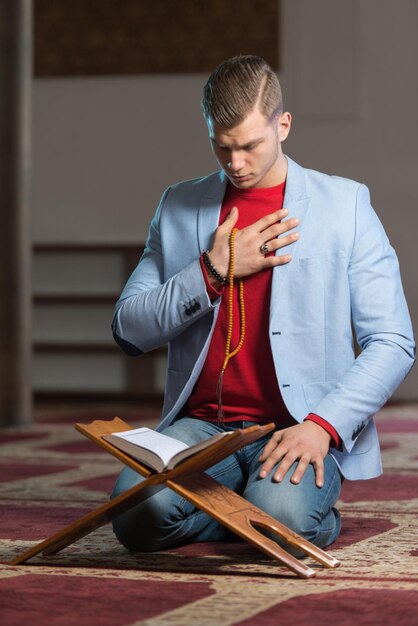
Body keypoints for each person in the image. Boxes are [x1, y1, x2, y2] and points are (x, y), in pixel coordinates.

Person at [110, 55, 415, 554]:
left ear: (284, 125)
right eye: (222, 146)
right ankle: (247, 518)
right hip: (203, 425)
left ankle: (272, 515)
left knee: (283, 517)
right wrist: (211, 271)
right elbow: (129, 328)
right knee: (137, 519)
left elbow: (394, 342)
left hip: (299, 422)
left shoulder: (346, 205)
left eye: (250, 145)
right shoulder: (178, 206)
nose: (236, 163)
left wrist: (324, 426)